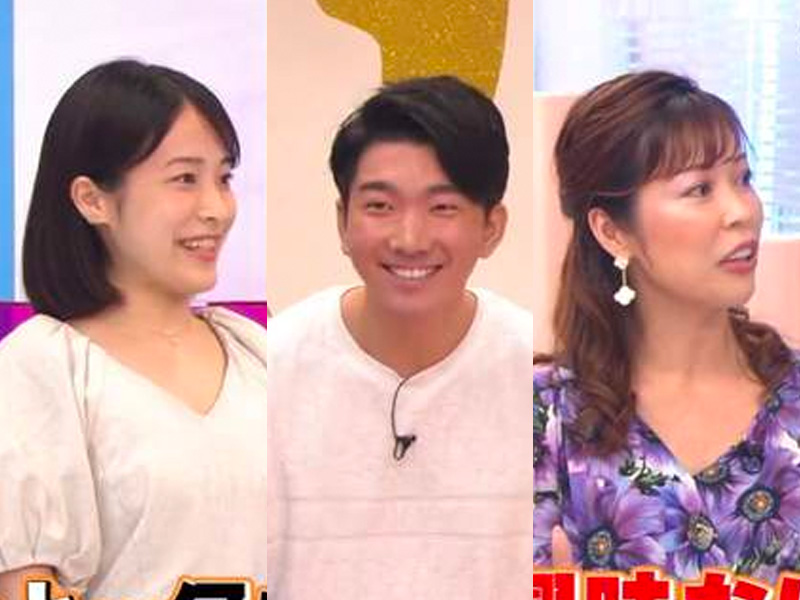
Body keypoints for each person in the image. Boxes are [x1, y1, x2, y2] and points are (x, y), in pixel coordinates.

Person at [0, 59, 268, 599]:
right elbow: (26, 584)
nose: (216, 208)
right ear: (92, 199)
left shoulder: (256, 351)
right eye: (184, 179)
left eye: (223, 178)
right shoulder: (43, 366)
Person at [267, 76, 533, 598]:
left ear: (491, 228)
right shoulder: (271, 366)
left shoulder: (539, 375)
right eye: (380, 207)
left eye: (443, 208)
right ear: (342, 222)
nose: (410, 239)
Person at [532, 70, 799, 582]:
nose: (741, 211)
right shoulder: (546, 419)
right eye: (699, 189)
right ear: (612, 231)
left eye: (743, 179)